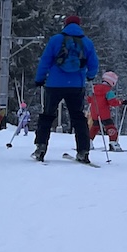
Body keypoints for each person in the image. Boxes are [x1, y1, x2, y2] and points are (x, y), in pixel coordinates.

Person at [32, 15, 99, 163]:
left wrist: (39, 78)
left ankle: (41, 147)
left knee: (47, 115)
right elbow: (94, 63)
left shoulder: (56, 40)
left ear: (65, 24)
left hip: (54, 84)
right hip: (76, 85)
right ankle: (83, 151)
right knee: (78, 118)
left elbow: (45, 60)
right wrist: (90, 76)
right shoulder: (87, 42)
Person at [88, 71, 125, 151]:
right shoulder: (108, 91)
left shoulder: (94, 88)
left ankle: (88, 142)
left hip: (95, 113)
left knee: (95, 127)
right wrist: (121, 102)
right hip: (104, 114)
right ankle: (113, 143)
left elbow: (89, 99)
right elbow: (112, 102)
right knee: (110, 127)